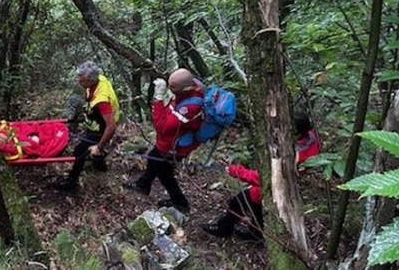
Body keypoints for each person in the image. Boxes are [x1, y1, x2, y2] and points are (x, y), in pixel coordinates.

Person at [202, 112, 321, 240]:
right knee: (257, 207)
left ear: (296, 134)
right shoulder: (312, 140)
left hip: (278, 185)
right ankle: (256, 234)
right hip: (287, 186)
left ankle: (224, 229)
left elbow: (265, 178)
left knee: (238, 202)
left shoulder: (293, 157)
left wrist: (237, 171)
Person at [124, 68, 205, 213]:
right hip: (168, 141)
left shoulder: (191, 107)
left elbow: (162, 127)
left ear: (185, 87)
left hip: (175, 146)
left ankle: (180, 203)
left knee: (164, 172)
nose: (169, 88)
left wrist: (158, 99)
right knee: (153, 158)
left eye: (172, 87)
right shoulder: (186, 92)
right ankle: (143, 185)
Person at [53, 60, 120, 191]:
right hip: (95, 123)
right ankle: (100, 165)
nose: (79, 82)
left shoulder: (102, 100)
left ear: (90, 80)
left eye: (82, 80)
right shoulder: (98, 79)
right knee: (89, 149)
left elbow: (111, 126)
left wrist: (99, 146)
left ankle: (72, 183)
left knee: (80, 151)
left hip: (101, 129)